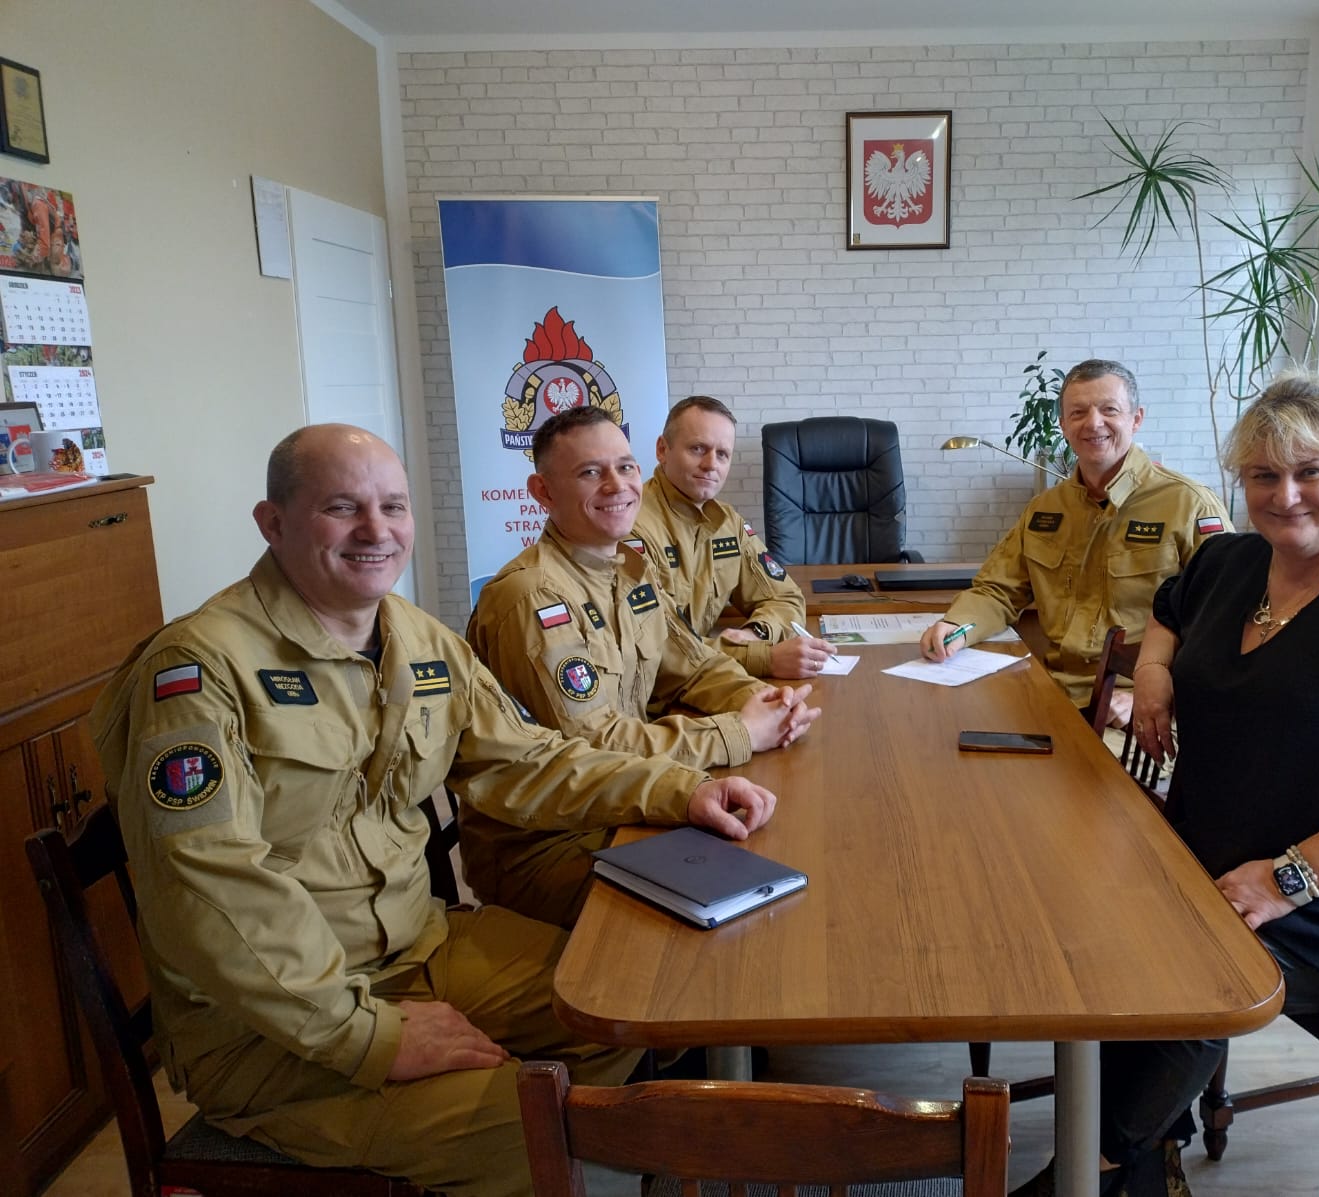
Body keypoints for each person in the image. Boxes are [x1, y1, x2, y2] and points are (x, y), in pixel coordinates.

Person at [90, 424, 778, 1197]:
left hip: (418, 948)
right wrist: (370, 1036)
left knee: (617, 1013)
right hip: (268, 1030)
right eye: (341, 507)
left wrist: (679, 788)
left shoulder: (415, 637)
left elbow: (526, 760)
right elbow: (211, 891)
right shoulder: (198, 669)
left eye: (393, 506)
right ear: (272, 523)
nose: (375, 530)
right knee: (549, 1134)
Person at [1021, 372, 1319, 1197]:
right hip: (1243, 839)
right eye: (1262, 474)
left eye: (1310, 471)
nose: (1284, 496)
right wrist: (1155, 673)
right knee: (1113, 914)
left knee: (1194, 955)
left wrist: (1289, 878)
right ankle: (1142, 1154)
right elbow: (1170, 608)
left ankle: (1097, 1167)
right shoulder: (1232, 561)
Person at [464, 404, 820, 926]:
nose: (618, 486)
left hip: (623, 799)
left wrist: (761, 699)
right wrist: (737, 733)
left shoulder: (628, 567)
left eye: (625, 467)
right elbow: (593, 744)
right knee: (730, 910)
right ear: (543, 492)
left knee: (782, 852)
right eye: (590, 472)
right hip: (544, 842)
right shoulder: (532, 598)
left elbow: (693, 664)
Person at [919, 360, 1229, 724]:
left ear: (1136, 419)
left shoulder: (1189, 505)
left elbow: (1224, 623)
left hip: (1136, 711)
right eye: (1078, 413)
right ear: (1063, 425)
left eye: (1109, 410)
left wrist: (1159, 693)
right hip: (1053, 693)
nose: (1093, 423)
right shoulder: (1046, 509)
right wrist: (957, 626)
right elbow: (998, 590)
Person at [634, 394, 837, 679]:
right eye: (697, 449)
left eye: (722, 454)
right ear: (662, 450)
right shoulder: (630, 527)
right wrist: (761, 658)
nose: (711, 464)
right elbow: (654, 648)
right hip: (653, 694)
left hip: (705, 680)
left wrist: (756, 633)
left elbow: (785, 597)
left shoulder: (728, 523)